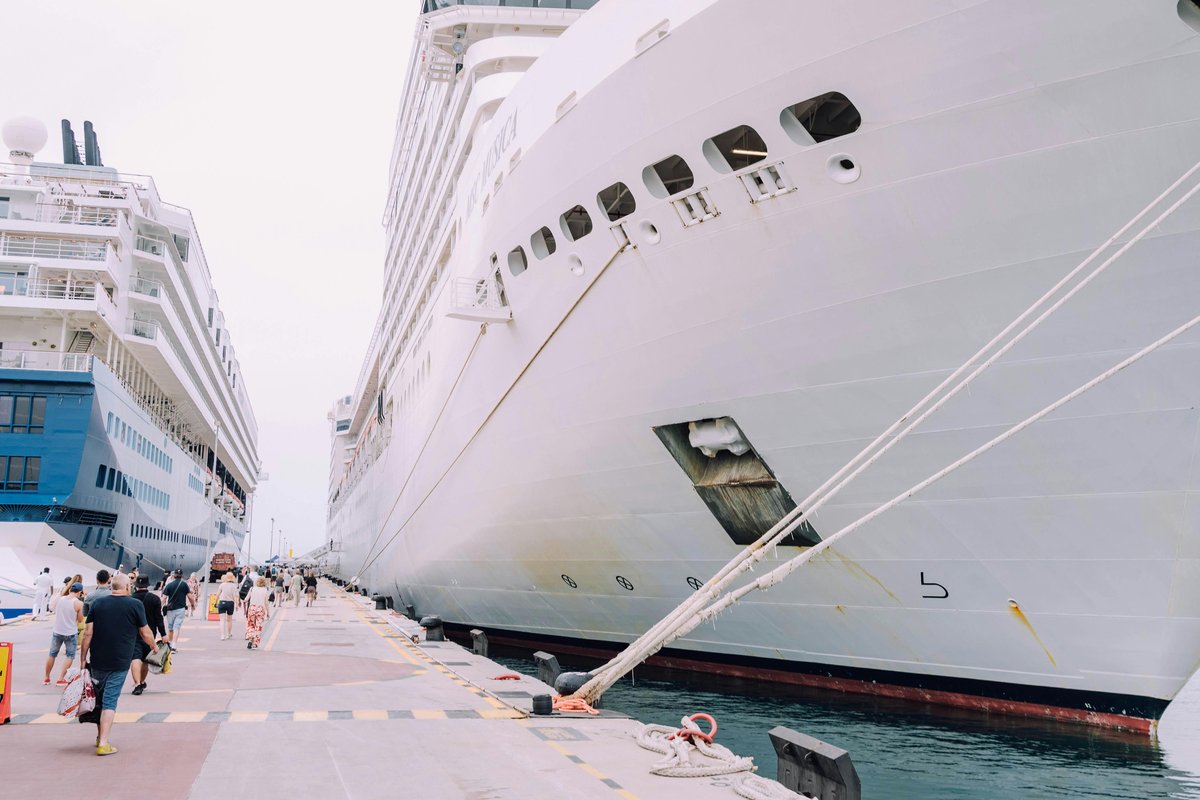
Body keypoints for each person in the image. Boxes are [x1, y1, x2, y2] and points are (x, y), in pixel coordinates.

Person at [79, 573, 158, 756]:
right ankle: (104, 743)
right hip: (120, 661)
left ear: (111, 587)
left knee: (99, 699)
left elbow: (88, 633)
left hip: (98, 660)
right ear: (128, 587)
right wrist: (154, 647)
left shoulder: (98, 604)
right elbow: (145, 632)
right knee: (110, 701)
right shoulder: (135, 605)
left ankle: (100, 736)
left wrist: (83, 658)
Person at [130, 575, 165, 696]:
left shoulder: (131, 599)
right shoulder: (154, 599)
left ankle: (137, 684)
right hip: (150, 634)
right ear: (148, 584)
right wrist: (164, 634)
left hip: (133, 634)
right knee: (145, 660)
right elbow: (158, 618)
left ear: (136, 585)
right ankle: (142, 681)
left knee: (135, 658)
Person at [43, 583, 83, 685]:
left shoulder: (60, 599)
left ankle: (46, 677)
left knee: (52, 654)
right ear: (79, 592)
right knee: (70, 656)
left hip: (57, 631)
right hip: (70, 632)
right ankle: (60, 678)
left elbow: (53, 609)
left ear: (70, 590)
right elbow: (80, 619)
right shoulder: (78, 603)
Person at [162, 569, 190, 651]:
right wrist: (193, 604)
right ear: (182, 575)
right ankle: (174, 645)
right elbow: (190, 596)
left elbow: (164, 598)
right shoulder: (184, 585)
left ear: (174, 575)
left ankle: (169, 645)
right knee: (176, 627)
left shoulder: (169, 585)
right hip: (180, 609)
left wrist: (159, 607)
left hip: (170, 609)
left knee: (170, 628)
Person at [243, 576, 270, 650]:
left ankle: (250, 639)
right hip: (260, 610)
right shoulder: (265, 590)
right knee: (258, 626)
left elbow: (246, 599)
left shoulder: (252, 588)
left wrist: (243, 601)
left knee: (251, 624)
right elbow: (266, 603)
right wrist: (268, 613)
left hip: (252, 608)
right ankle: (255, 644)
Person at [216, 572, 239, 640]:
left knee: (222, 620)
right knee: (229, 620)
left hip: (222, 602)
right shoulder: (234, 586)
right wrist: (237, 605)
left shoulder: (222, 584)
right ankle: (228, 634)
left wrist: (216, 601)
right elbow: (236, 597)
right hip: (230, 603)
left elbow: (218, 594)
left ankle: (222, 635)